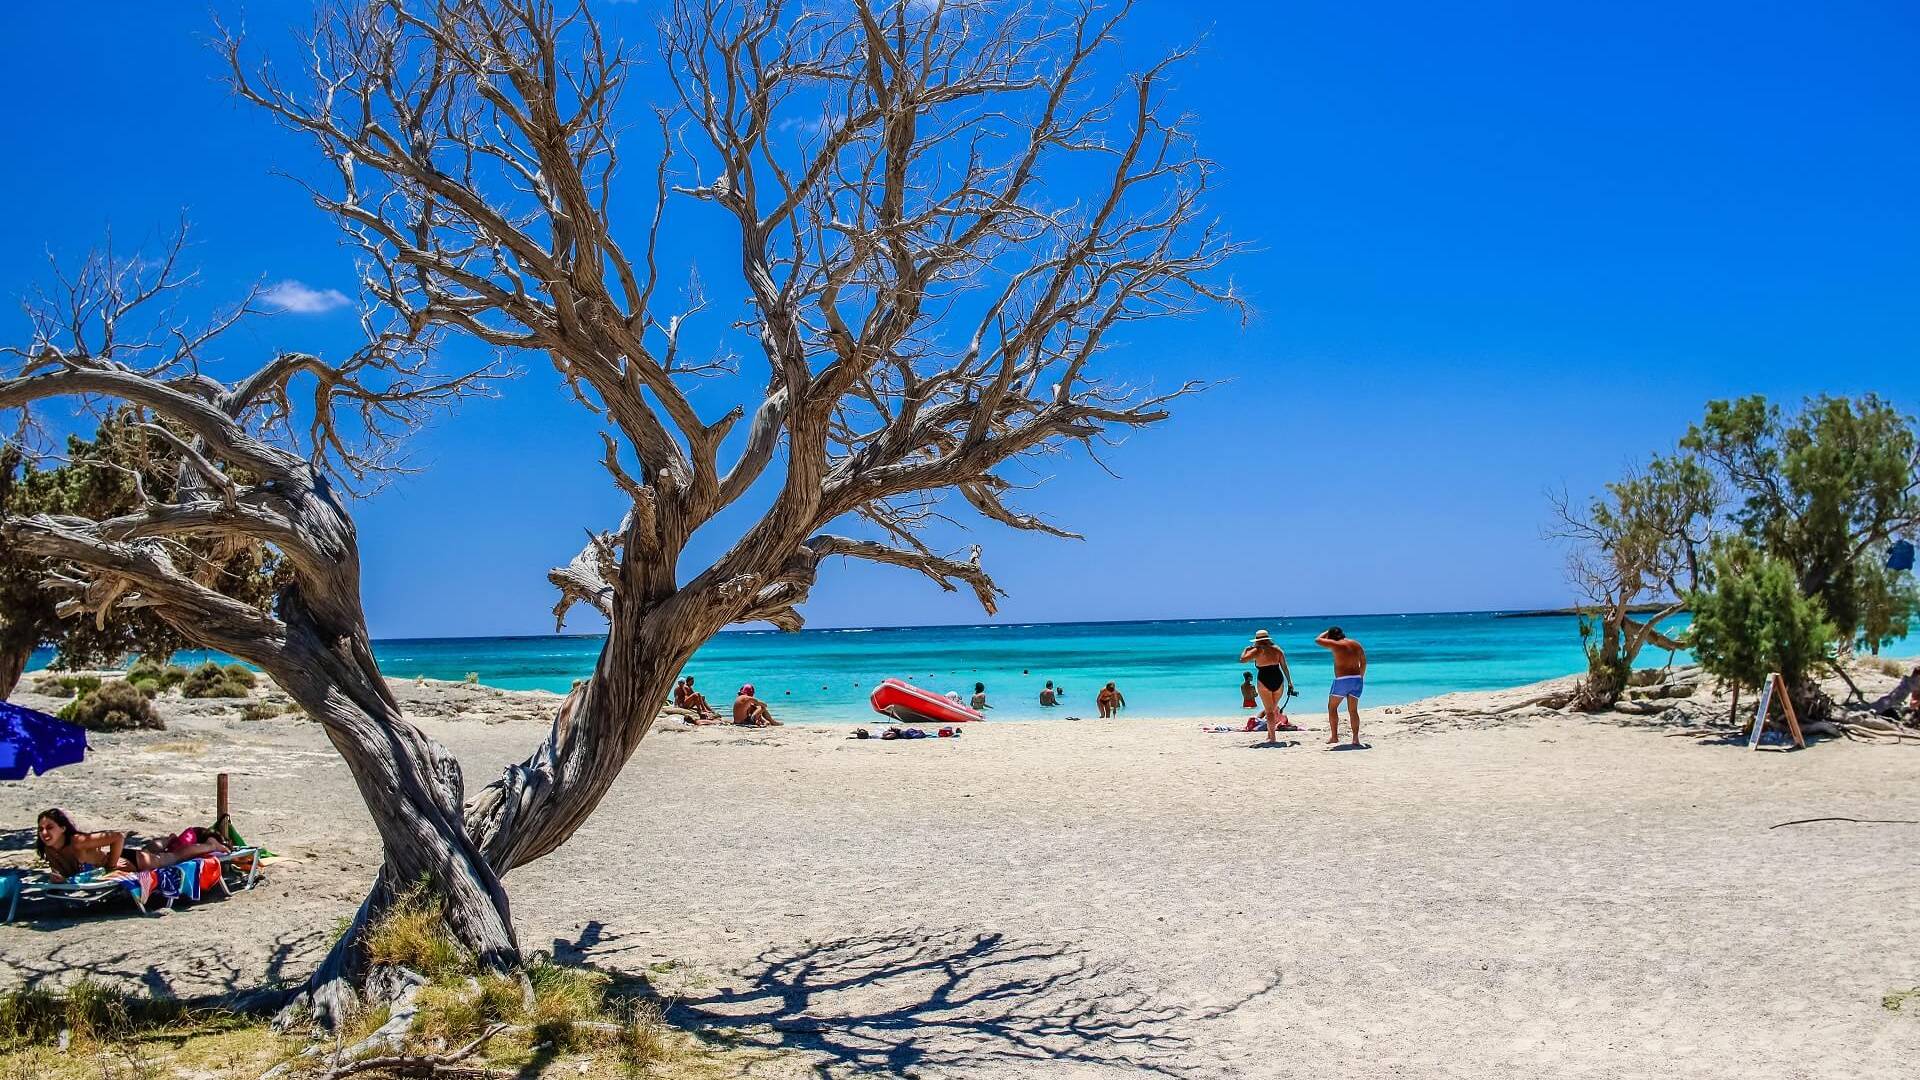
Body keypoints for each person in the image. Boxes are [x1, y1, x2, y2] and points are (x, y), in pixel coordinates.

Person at [34, 808, 227, 882]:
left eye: (49, 828)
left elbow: (117, 837)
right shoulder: (49, 849)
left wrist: (111, 866)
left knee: (172, 858)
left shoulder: (78, 841)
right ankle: (169, 839)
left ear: (62, 828)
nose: (44, 833)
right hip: (123, 858)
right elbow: (71, 874)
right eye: (40, 829)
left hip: (129, 861)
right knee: (149, 850)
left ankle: (211, 845)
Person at [1238, 629, 1298, 741]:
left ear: (1257, 640)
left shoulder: (1257, 650)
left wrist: (1246, 649)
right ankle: (1270, 735)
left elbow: (1242, 660)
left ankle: (1273, 737)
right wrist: (1290, 682)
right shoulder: (1277, 649)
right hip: (1278, 679)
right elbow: (1284, 667)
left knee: (1269, 711)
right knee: (1273, 708)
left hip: (1264, 679)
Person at [1316, 627, 1367, 746]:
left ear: (1331, 637)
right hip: (1356, 679)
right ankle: (1355, 738)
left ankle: (1334, 737)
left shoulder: (1336, 644)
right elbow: (1363, 662)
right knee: (1353, 710)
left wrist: (1327, 631)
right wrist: (1360, 677)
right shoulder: (1356, 644)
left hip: (1342, 680)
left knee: (1332, 707)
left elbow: (1318, 640)